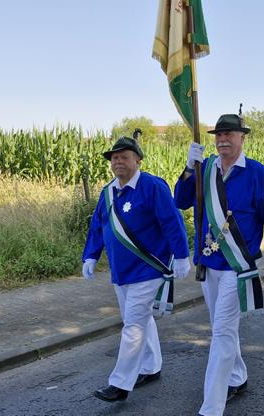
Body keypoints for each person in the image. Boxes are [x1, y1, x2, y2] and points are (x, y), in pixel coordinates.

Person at [174, 113, 264, 416]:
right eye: (219, 135)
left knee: (222, 332)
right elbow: (180, 201)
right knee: (221, 328)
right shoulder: (204, 169)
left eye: (229, 134)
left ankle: (211, 406)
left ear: (242, 138)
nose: (223, 139)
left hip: (238, 268)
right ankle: (237, 377)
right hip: (209, 263)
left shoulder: (257, 174)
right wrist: (188, 169)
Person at [82, 136, 191, 402]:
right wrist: (91, 256)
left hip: (148, 269)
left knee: (132, 325)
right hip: (121, 271)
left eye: (124, 157)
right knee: (141, 320)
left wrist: (181, 255)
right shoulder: (108, 192)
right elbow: (98, 226)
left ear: (138, 160)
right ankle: (151, 367)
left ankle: (120, 384)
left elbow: (172, 221)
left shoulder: (152, 186)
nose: (118, 162)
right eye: (114, 158)